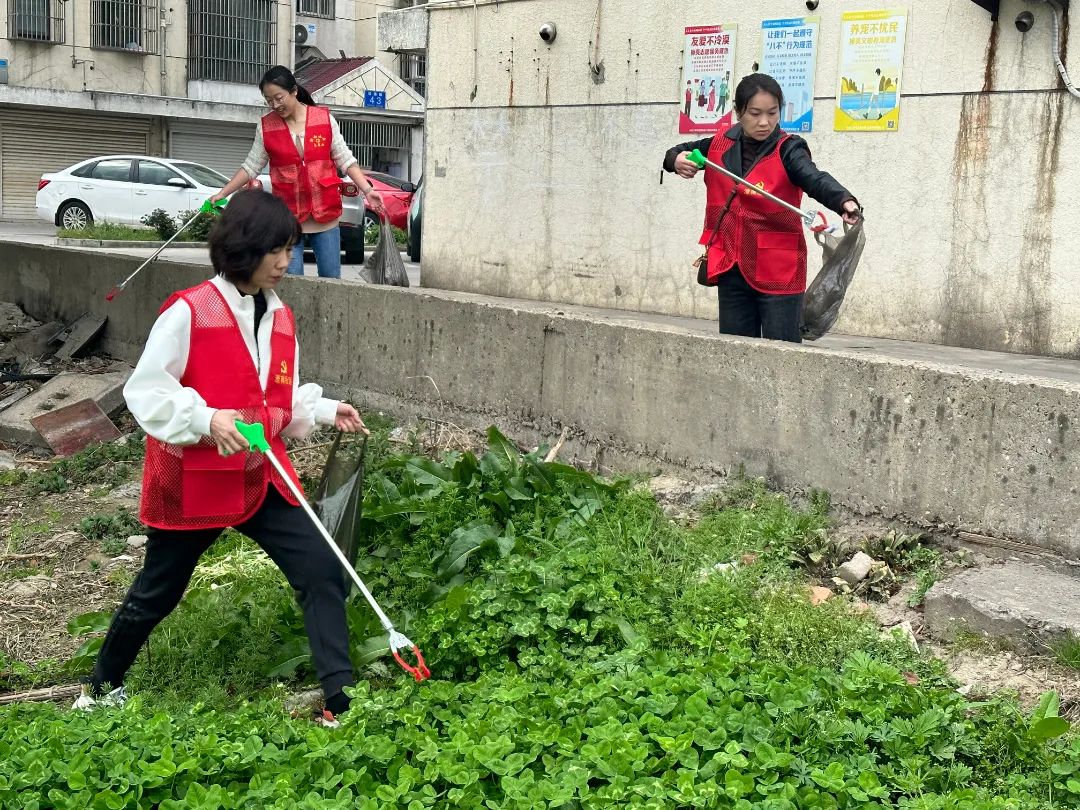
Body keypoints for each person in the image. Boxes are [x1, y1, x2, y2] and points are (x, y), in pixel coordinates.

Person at [74, 190, 369, 726]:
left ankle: (341, 701)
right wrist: (207, 419)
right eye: (275, 250)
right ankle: (100, 688)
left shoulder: (281, 317)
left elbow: (275, 395)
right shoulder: (189, 310)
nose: (284, 262)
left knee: (321, 567)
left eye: (290, 249)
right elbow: (147, 391)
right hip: (197, 478)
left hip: (259, 474)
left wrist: (326, 410)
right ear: (243, 247)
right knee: (158, 591)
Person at [663, 73, 860, 343]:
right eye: (755, 113)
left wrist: (843, 200)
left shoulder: (789, 149)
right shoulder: (719, 143)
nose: (764, 122)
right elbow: (676, 152)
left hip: (778, 267)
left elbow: (814, 178)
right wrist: (675, 160)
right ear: (738, 112)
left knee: (782, 351)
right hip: (731, 264)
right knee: (735, 349)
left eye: (772, 113)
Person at [211, 65, 387, 279]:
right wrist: (223, 192)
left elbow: (346, 160)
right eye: (269, 100)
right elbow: (251, 166)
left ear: (294, 91)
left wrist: (368, 190)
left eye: (279, 98)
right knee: (292, 282)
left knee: (331, 279)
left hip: (326, 215)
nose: (275, 105)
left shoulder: (324, 119)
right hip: (288, 219)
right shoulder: (266, 127)